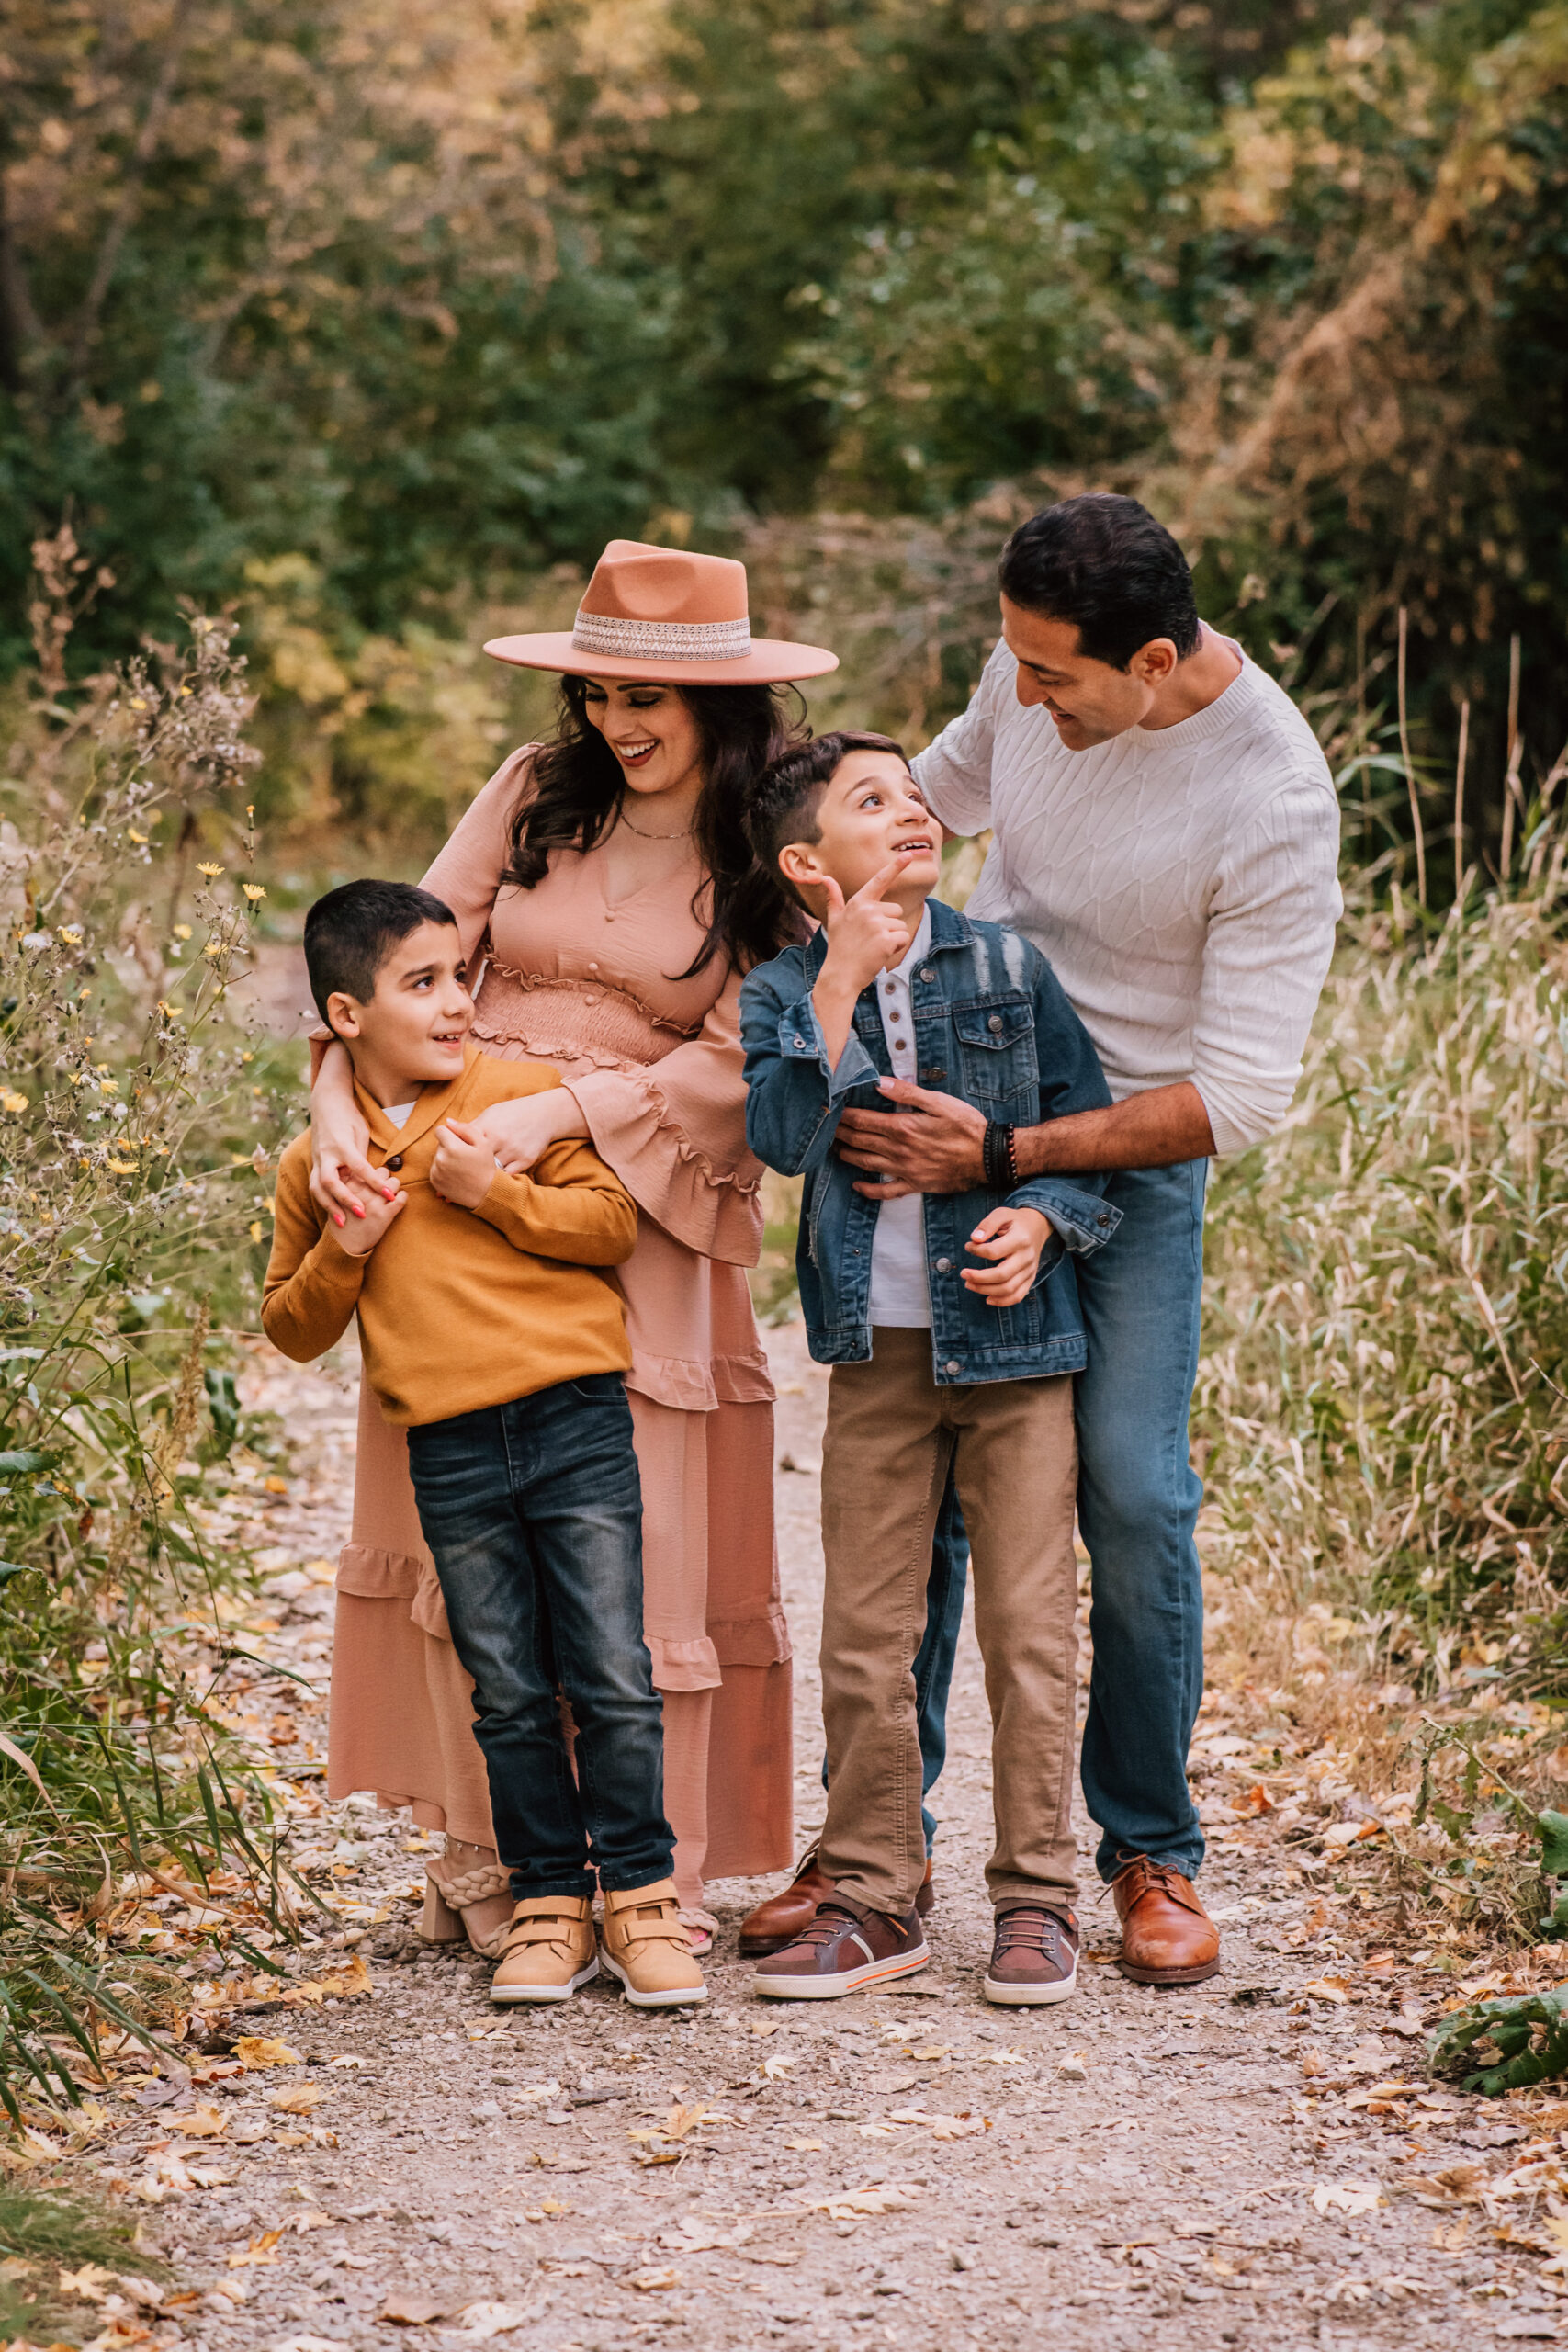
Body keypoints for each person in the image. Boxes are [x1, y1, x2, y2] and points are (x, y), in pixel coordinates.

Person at [831, 494, 1342, 1985]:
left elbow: (1236, 1095)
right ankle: (877, 1857)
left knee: (1129, 1494)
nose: (1020, 698)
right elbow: (915, 817)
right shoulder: (1030, 667)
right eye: (1013, 663)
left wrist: (1012, 1156)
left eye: (1053, 677)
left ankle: (1148, 1848)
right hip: (953, 1104)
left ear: (1160, 659)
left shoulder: (1272, 796)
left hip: (1115, 1167)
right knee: (912, 1492)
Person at [302, 542, 838, 1954]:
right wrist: (332, 1102)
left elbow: (742, 1052)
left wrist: (569, 1108)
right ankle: (501, 1858)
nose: (618, 721)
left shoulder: (762, 850)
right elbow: (396, 954)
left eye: (649, 696)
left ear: (724, 701)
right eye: (596, 690)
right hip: (458, 1162)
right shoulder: (538, 795)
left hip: (645, 1192)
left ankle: (639, 1873)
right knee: (464, 1514)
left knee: (628, 1545)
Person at [264, 881, 705, 2007]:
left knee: (610, 1668)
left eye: (461, 974)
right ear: (346, 1015)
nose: (459, 1001)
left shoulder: (515, 1099)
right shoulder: (319, 1165)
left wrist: (497, 1191)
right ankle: (549, 1901)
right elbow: (292, 1326)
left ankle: (643, 1899)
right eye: (423, 983)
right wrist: (349, 1250)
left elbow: (610, 1225)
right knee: (507, 1684)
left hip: (575, 1416)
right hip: (449, 1447)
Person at [738, 732, 1120, 2002]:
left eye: (913, 794)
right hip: (878, 1357)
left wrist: (1039, 1216)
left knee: (1025, 1634)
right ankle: (874, 1893)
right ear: (807, 863)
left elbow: (1083, 1143)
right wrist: (836, 983)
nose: (909, 811)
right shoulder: (781, 991)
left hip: (1016, 1354)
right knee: (864, 1635)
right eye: (869, 801)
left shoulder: (1007, 966)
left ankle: (1035, 1899)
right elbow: (787, 1140)